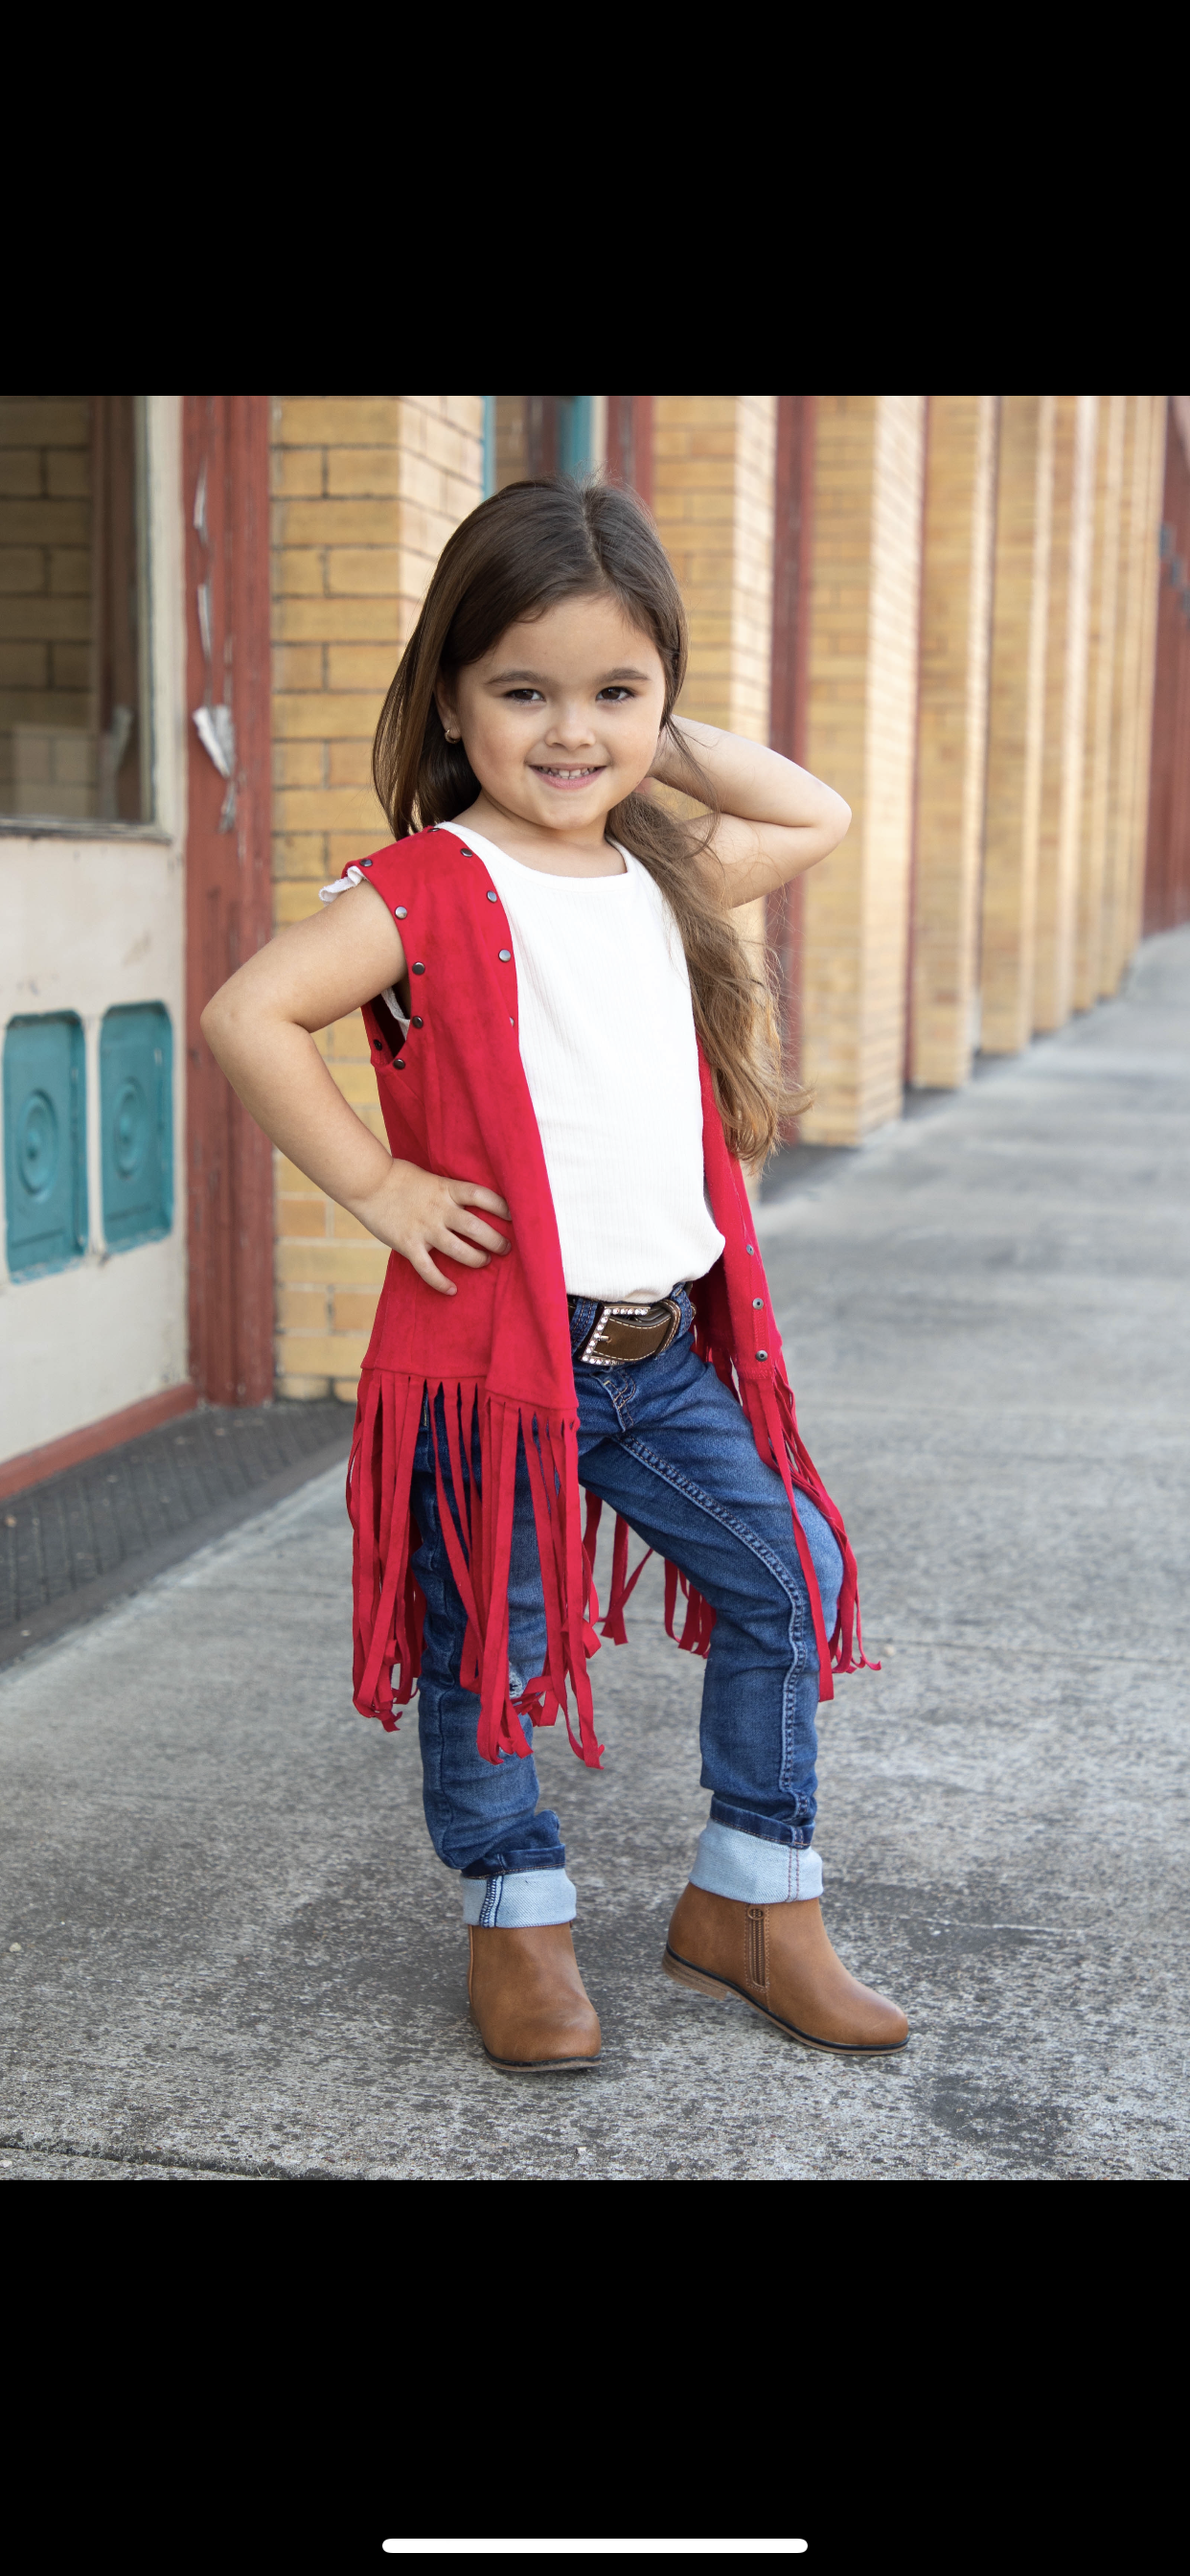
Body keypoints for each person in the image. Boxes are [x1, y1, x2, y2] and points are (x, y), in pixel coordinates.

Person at [202, 476, 908, 2073]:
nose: (569, 733)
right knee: (498, 1650)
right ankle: (515, 1913)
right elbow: (250, 1014)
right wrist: (376, 1184)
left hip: (657, 1362)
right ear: (452, 698)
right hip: (495, 1363)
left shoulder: (662, 874)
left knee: (780, 1578)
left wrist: (651, 723)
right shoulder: (424, 889)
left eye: (612, 692)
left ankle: (750, 1897)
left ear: (660, 700)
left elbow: (815, 812)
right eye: (524, 692)